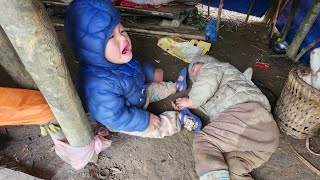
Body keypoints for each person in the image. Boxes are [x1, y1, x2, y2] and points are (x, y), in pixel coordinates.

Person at [64, 0, 202, 138]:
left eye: (122, 31)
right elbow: (114, 117)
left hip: (137, 93)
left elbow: (135, 69)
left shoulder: (117, 57)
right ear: (91, 49)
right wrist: (145, 119)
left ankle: (175, 87)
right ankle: (178, 120)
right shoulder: (97, 86)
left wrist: (151, 73)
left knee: (152, 88)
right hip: (126, 117)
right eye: (111, 37)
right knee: (154, 128)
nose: (123, 39)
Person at [173, 55, 279, 179]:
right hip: (264, 139)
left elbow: (206, 83)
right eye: (194, 76)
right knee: (233, 166)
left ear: (207, 62)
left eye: (195, 69)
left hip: (248, 114)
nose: (196, 74)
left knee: (205, 140)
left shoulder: (214, 67)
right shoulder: (215, 92)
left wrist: (191, 101)